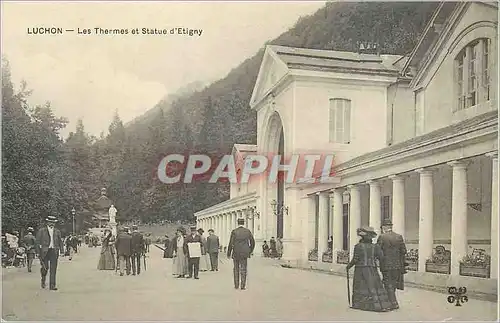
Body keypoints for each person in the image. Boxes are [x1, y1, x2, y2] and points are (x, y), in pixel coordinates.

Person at [346, 226, 394, 312]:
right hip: (372, 269)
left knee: (362, 286)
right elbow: (381, 257)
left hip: (361, 269)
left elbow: (355, 259)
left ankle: (361, 304)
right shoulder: (375, 247)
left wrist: (348, 266)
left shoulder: (358, 246)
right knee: (375, 286)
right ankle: (381, 305)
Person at [377, 219, 407, 310]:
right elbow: (404, 251)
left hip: (386, 265)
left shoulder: (382, 237)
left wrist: (380, 259)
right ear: (391, 226)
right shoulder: (399, 237)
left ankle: (393, 303)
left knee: (387, 283)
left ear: (384, 227)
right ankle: (390, 301)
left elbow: (378, 251)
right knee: (393, 284)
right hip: (397, 265)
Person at [35, 215, 64, 290]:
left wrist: (62, 251)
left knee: (53, 269)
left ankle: (52, 285)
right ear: (47, 222)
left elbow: (60, 242)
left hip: (54, 251)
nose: (52, 224)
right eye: (50, 222)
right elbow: (37, 242)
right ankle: (43, 279)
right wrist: (38, 252)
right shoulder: (42, 231)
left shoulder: (57, 231)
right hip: (44, 251)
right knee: (45, 268)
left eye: (53, 222)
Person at [227, 218, 255, 290]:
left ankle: (236, 285)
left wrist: (229, 253)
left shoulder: (234, 231)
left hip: (236, 252)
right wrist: (250, 250)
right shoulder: (247, 231)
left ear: (237, 223)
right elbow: (252, 242)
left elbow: (231, 243)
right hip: (244, 253)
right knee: (244, 269)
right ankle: (243, 286)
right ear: (244, 223)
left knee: (236, 269)